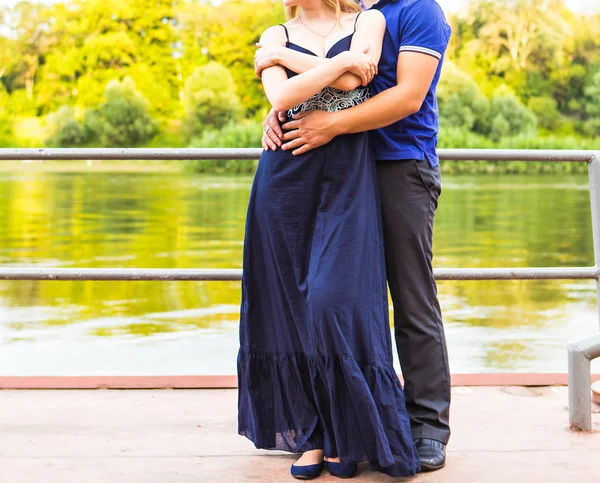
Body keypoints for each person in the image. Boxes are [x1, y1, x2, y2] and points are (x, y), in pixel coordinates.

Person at [258, 0, 453, 472]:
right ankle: (344, 422)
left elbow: (407, 97)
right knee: (339, 300)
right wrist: (287, 106)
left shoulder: (418, 10)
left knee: (410, 298)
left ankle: (427, 426)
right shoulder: (357, 11)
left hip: (401, 166)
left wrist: (327, 119)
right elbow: (320, 83)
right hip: (342, 167)